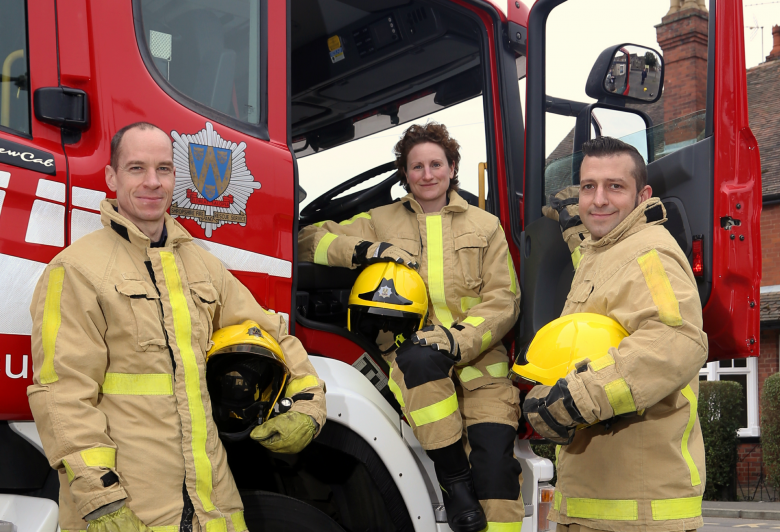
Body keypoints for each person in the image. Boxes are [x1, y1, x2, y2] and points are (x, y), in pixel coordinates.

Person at [27, 122, 326, 532]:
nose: (152, 182)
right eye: (136, 168)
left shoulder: (201, 264)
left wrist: (309, 399)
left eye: (163, 169)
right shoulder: (76, 270)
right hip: (133, 509)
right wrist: (100, 499)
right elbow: (62, 393)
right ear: (112, 177)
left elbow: (270, 333)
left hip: (214, 507)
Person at [298, 122, 523, 532]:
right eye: (416, 167)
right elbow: (307, 239)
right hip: (415, 367)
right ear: (405, 174)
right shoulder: (380, 220)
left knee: (497, 476)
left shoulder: (485, 225)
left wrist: (454, 341)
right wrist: (367, 249)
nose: (427, 174)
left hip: (480, 371)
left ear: (452, 167)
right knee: (419, 359)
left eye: (436, 164)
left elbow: (503, 302)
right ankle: (454, 482)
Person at [524, 137, 707, 532]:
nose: (599, 199)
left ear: (643, 195)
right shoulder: (603, 253)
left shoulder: (649, 255)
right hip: (599, 503)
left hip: (637, 513)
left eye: (615, 186)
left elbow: (677, 341)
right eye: (589, 187)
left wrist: (575, 399)